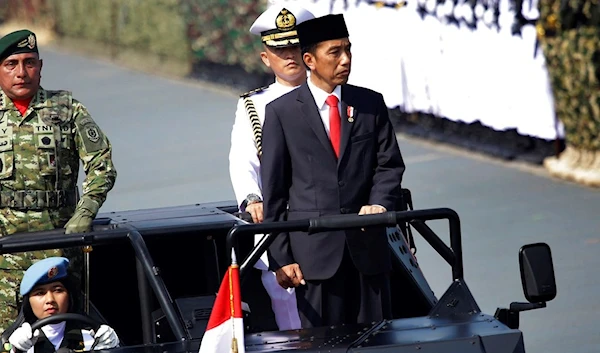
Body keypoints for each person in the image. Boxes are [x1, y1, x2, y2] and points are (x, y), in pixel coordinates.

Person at [261, 14, 406, 328]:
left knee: (379, 342)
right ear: (310, 59)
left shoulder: (370, 104)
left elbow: (389, 164)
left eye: (348, 50)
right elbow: (273, 192)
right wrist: (282, 258)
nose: (346, 60)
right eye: (335, 52)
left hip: (368, 254)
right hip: (314, 259)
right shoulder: (282, 113)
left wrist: (379, 203)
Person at [0, 29, 117, 331]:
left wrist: (86, 211)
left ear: (41, 66)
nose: (21, 73)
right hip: (5, 252)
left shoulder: (67, 110)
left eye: (29, 63)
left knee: (65, 333)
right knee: (8, 337)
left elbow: (101, 163)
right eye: (11, 64)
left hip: (60, 243)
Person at [228, 3, 316, 331]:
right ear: (266, 58)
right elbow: (242, 159)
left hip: (331, 222)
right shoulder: (253, 105)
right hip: (282, 224)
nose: (290, 55)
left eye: (295, 46)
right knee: (291, 318)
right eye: (280, 50)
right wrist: (252, 197)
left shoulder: (335, 97)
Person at [2, 257, 119, 352]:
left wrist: (113, 350)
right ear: (28, 302)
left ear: (69, 296)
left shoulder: (91, 338)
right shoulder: (18, 341)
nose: (50, 299)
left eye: (57, 290)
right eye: (40, 293)